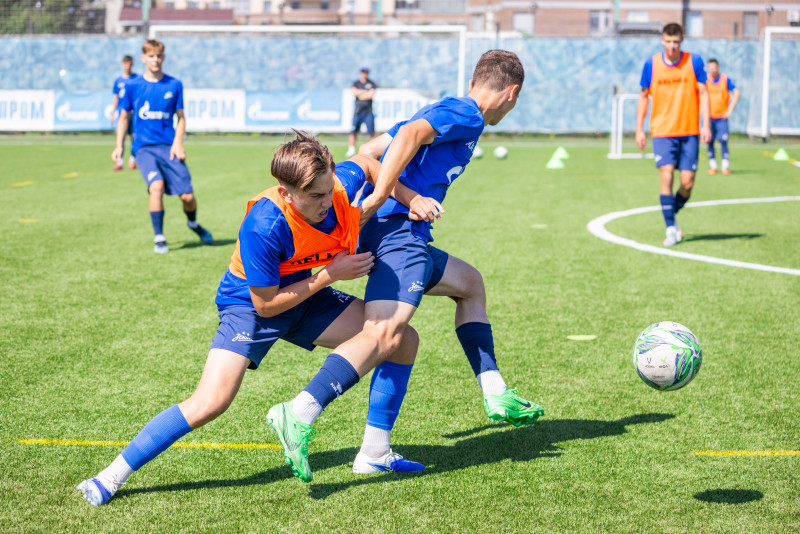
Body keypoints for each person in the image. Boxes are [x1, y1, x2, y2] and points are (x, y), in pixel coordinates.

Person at [77, 132, 423, 505]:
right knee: (211, 402)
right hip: (251, 306)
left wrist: (410, 197)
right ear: (286, 192)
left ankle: (374, 453)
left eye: (329, 190)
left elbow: (371, 164)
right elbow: (266, 306)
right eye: (316, 197)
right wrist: (329, 275)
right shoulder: (264, 224)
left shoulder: (335, 185)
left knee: (401, 339)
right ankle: (109, 477)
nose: (329, 202)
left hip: (308, 296)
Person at [268, 49, 545, 484]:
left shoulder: (444, 110)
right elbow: (409, 135)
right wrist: (383, 198)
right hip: (399, 236)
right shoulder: (467, 114)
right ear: (511, 92)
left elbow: (375, 147)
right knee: (383, 334)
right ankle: (299, 411)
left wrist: (367, 194)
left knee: (468, 285)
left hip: (394, 232)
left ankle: (476, 401)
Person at [112, 39, 213, 254]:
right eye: (151, 56)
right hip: (144, 148)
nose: (155, 60)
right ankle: (159, 238)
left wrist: (178, 143)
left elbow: (182, 118)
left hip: (169, 147)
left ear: (163, 57)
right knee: (155, 186)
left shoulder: (174, 84)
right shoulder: (132, 86)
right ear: (143, 58)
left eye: (159, 56)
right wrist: (119, 146)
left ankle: (193, 224)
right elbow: (123, 118)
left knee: (187, 196)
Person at [635, 23, 711, 247]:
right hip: (662, 131)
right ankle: (670, 227)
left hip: (689, 131)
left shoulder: (694, 61)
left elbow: (704, 93)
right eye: (668, 41)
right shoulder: (651, 64)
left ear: (682, 41)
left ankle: (670, 212)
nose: (672, 46)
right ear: (662, 40)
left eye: (676, 42)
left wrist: (706, 124)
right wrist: (639, 128)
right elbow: (643, 96)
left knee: (687, 184)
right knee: (666, 175)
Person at [705, 59, 740, 176]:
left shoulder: (725, 79)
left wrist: (730, 110)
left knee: (723, 140)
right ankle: (713, 166)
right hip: (709, 117)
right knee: (709, 141)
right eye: (710, 67)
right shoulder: (705, 80)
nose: (713, 70)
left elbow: (736, 93)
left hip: (721, 117)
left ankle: (725, 166)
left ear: (718, 67)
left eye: (714, 67)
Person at [110, 55, 138, 171]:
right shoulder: (118, 80)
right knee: (120, 137)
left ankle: (133, 160)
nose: (127, 66)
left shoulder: (136, 79)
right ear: (123, 65)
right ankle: (119, 162)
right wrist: (113, 113)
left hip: (134, 113)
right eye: (126, 64)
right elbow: (115, 97)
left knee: (134, 137)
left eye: (129, 64)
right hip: (122, 114)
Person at [345, 66, 377, 158]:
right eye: (363, 72)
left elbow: (370, 95)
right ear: (361, 73)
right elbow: (354, 92)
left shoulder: (371, 83)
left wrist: (361, 93)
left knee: (371, 132)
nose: (364, 73)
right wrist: (365, 92)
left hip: (368, 112)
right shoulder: (356, 83)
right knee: (353, 131)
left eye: (366, 72)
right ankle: (351, 149)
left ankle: (375, 149)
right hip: (358, 111)